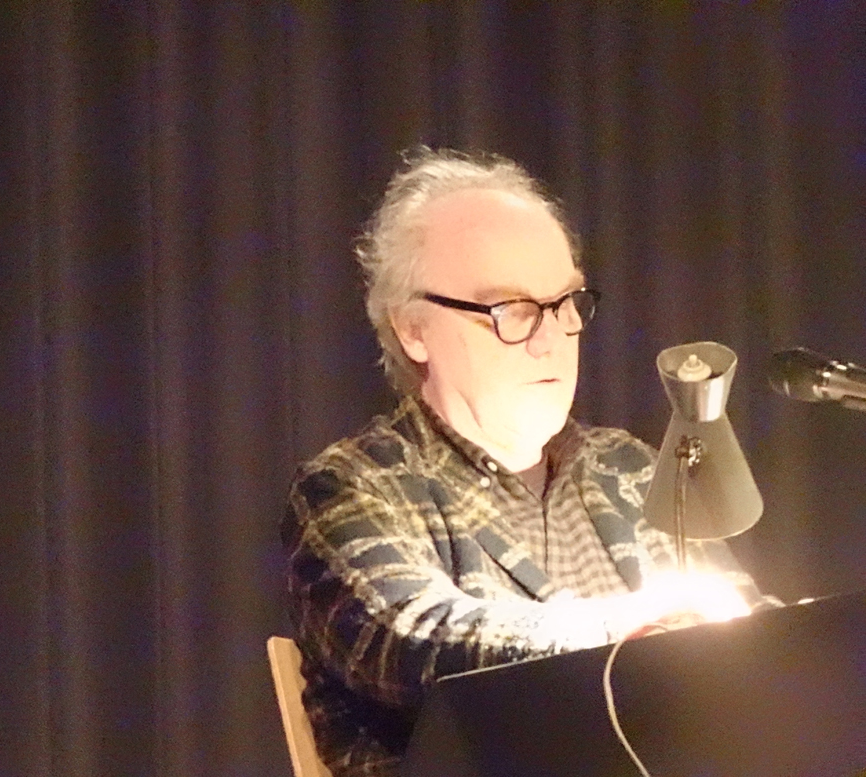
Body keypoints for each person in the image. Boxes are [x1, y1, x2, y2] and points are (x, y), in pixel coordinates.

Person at [280, 148, 771, 776]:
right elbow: (416, 642)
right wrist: (634, 625)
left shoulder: (630, 470)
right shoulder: (352, 488)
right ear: (414, 330)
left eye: (565, 305)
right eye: (511, 311)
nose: (550, 338)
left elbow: (751, 640)